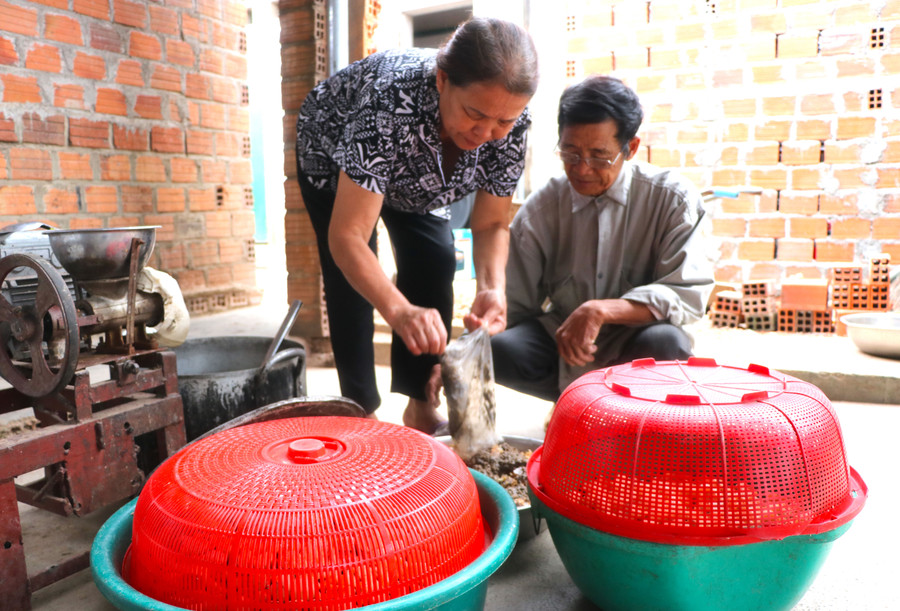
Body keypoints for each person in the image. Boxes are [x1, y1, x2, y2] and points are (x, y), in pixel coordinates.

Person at [295, 17, 538, 433]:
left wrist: (491, 289)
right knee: (351, 275)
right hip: (332, 152)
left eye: (503, 122)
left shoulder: (510, 125)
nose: (486, 133)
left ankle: (420, 406)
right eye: (474, 114)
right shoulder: (389, 102)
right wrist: (398, 310)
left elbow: (492, 223)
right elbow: (348, 236)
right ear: (443, 80)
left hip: (419, 179)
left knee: (435, 259)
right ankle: (361, 410)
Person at [491, 75, 715, 402]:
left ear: (631, 148)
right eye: (570, 152)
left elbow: (688, 296)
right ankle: (575, 408)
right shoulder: (543, 208)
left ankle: (640, 420)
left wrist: (601, 310)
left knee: (667, 342)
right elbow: (512, 302)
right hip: (565, 347)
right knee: (498, 350)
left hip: (636, 344)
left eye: (599, 156)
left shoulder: (673, 199)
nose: (582, 168)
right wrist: (465, 355)